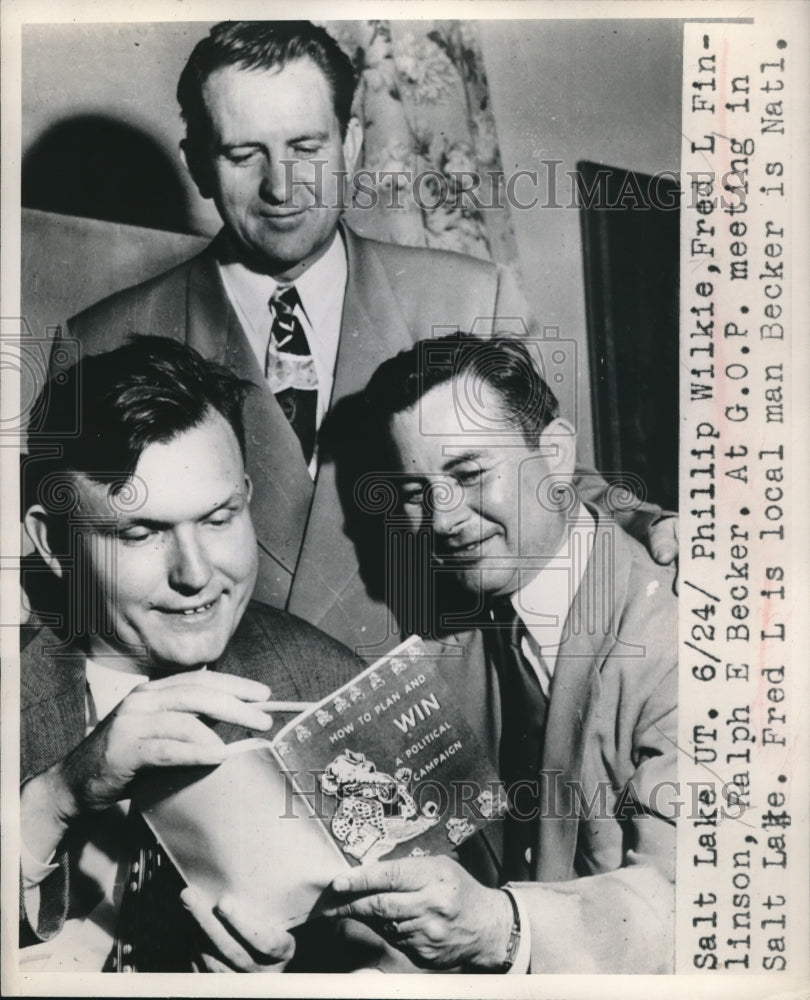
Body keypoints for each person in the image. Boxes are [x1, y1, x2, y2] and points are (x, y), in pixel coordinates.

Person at [62, 20, 677, 655]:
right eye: (244, 155)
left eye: (306, 147)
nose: (281, 188)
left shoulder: (468, 296)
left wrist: (644, 523)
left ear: (351, 145)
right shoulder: (99, 340)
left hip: (439, 707)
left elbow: (547, 478)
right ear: (198, 166)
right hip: (225, 719)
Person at [326, 334, 678, 974]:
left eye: (468, 474)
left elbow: (692, 902)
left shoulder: (681, 625)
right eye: (414, 491)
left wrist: (501, 930)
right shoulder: (451, 631)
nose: (443, 518)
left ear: (557, 453)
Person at [19, 337, 369, 973]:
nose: (196, 573)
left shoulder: (335, 689)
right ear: (52, 543)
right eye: (142, 533)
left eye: (218, 518)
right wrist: (56, 798)